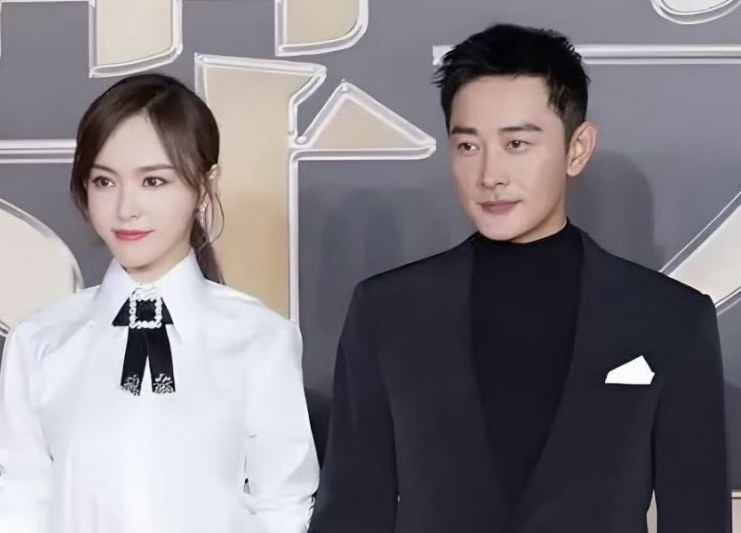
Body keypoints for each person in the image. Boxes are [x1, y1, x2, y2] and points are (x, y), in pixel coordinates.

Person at [309, 24, 729, 533]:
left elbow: (698, 517)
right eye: (468, 146)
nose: (490, 175)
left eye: (516, 144)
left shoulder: (669, 318)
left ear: (577, 148)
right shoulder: (387, 312)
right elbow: (352, 510)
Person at [0, 73, 319, 533]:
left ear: (206, 186)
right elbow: (21, 500)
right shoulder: (41, 339)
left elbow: (283, 505)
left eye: (154, 181)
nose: (126, 208)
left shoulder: (260, 339)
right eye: (104, 181)